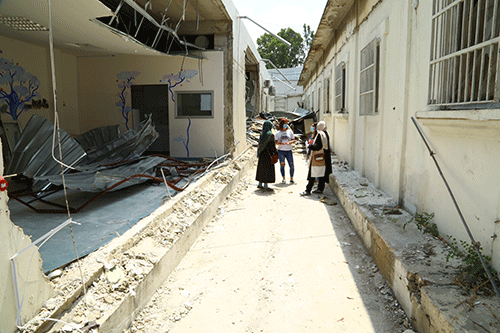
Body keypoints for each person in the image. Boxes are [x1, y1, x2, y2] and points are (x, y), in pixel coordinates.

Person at [300, 121, 332, 196]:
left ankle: (308, 190)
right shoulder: (325, 134)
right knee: (321, 173)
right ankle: (320, 189)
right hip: (323, 157)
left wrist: (309, 146)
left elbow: (318, 146)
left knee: (312, 173)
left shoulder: (320, 134)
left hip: (317, 157)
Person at [256, 120, 277, 191]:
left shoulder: (262, 134)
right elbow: (272, 146)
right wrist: (275, 152)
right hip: (268, 155)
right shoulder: (270, 135)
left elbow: (259, 145)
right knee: (267, 169)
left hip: (262, 154)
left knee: (261, 169)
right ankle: (265, 185)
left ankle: (260, 183)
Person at [274, 118, 296, 184]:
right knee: (282, 165)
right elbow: (276, 142)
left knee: (291, 165)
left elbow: (293, 139)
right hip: (281, 151)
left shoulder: (290, 131)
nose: (286, 125)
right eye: (284, 124)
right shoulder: (278, 133)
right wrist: (280, 143)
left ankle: (291, 178)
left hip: (289, 150)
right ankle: (283, 178)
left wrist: (290, 142)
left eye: (286, 124)